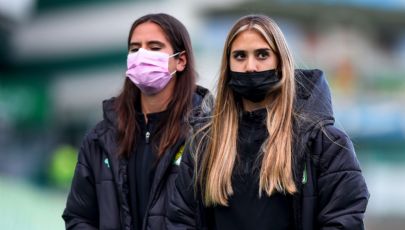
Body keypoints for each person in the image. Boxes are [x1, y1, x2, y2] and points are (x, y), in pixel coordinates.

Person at [167, 14, 369, 230]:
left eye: (262, 55)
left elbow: (344, 219)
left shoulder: (323, 141)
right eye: (240, 56)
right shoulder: (204, 141)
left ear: (281, 61)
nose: (250, 67)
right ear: (228, 66)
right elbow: (182, 219)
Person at [62, 13, 213, 230]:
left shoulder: (206, 135)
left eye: (154, 47)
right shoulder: (100, 139)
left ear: (180, 61)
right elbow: (78, 217)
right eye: (135, 49)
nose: (142, 55)